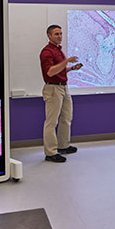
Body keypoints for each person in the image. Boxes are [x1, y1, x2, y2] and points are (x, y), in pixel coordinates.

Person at [40, 25, 82, 163]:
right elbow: (50, 72)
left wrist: (71, 68)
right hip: (53, 89)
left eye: (61, 34)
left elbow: (60, 70)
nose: (59, 36)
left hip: (64, 87)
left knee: (66, 118)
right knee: (51, 122)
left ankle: (63, 146)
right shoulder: (47, 52)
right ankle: (50, 153)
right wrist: (66, 61)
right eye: (56, 34)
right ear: (49, 35)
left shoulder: (58, 51)